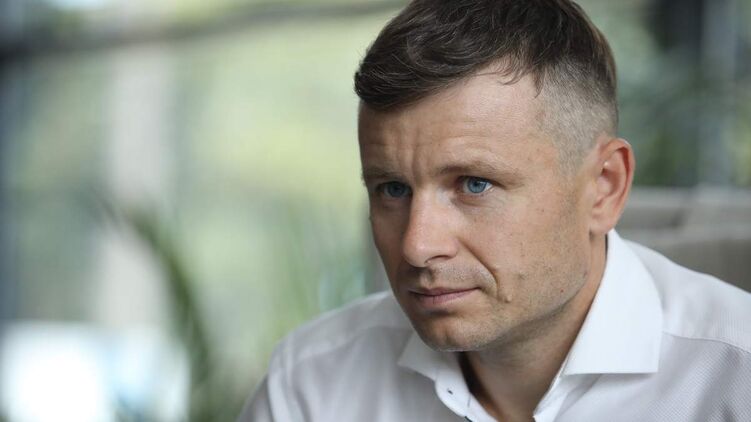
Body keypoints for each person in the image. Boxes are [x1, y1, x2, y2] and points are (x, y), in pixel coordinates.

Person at [240, 0, 751, 421]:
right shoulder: (310, 385)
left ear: (604, 188)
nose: (418, 246)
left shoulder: (735, 379)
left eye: (474, 184)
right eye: (392, 189)